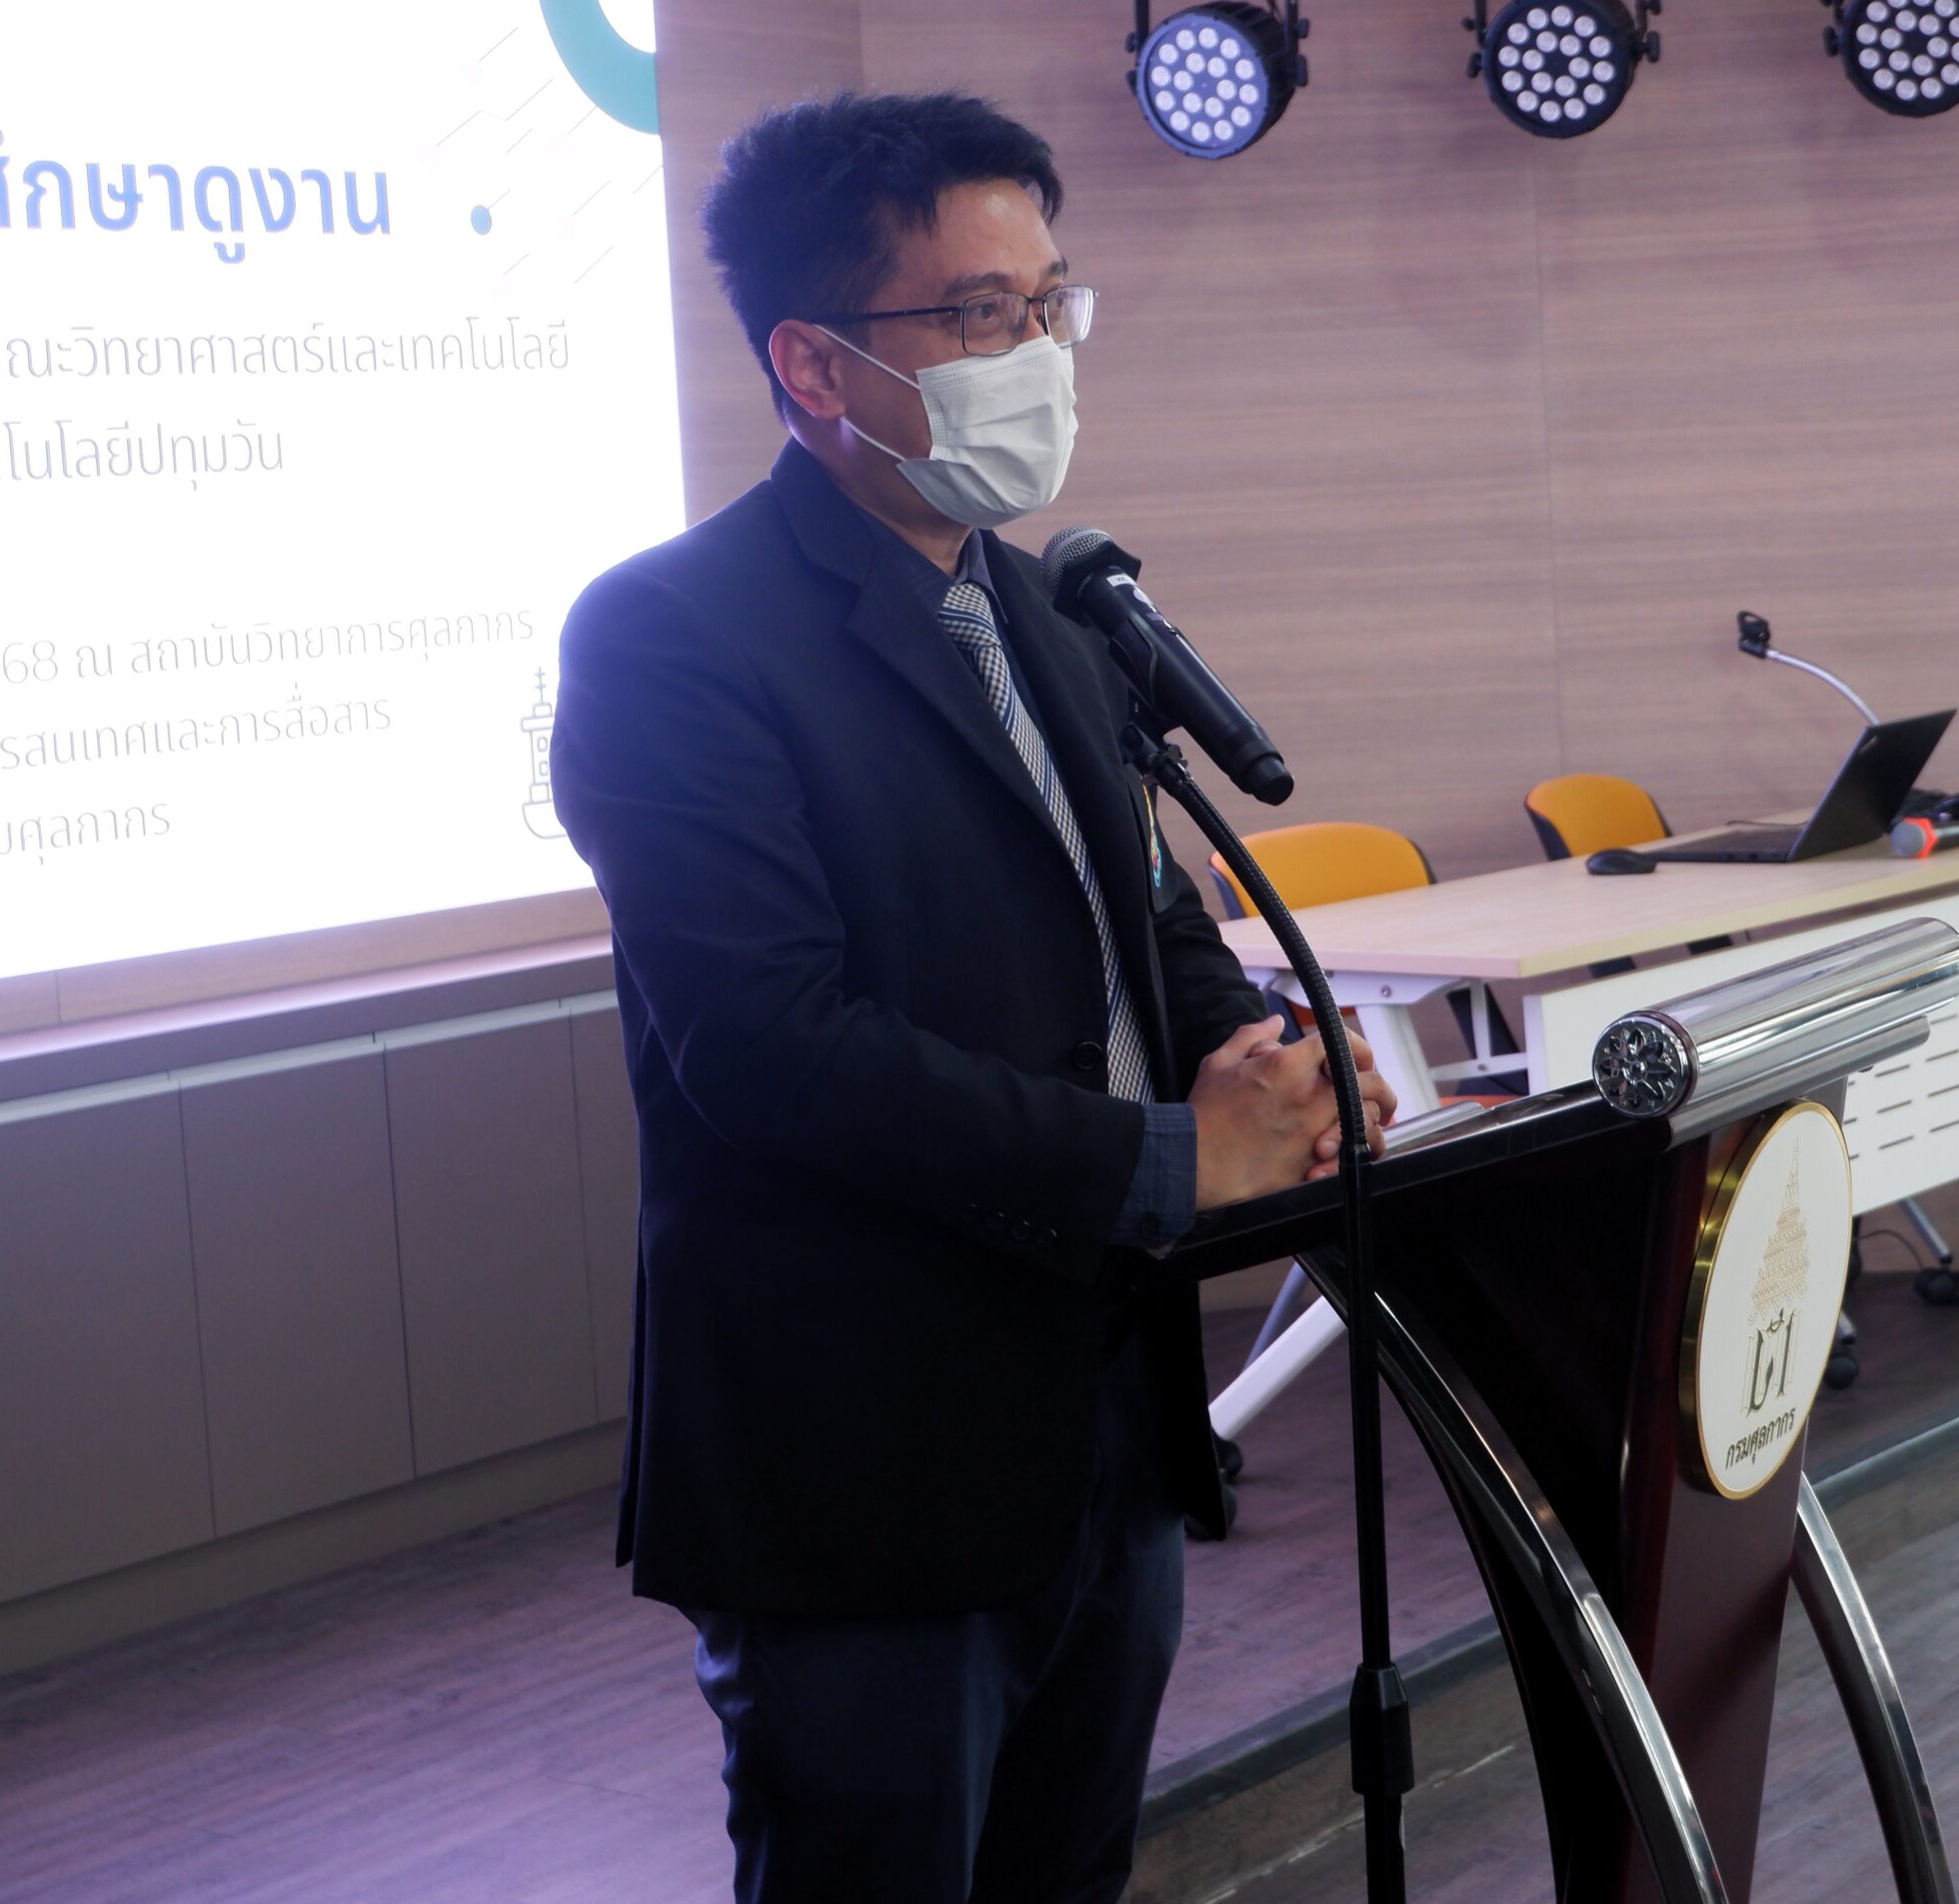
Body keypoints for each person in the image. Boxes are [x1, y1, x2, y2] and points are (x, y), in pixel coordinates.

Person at [551, 91, 1393, 1904]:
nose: (1038, 354)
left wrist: (1278, 1062)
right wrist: (1172, 1160)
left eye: (1051, 301)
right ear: (816, 364)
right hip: (866, 1455)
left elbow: (1146, 923)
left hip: (1106, 1423)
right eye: (981, 313)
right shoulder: (673, 636)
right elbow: (769, 1049)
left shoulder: (1054, 615)